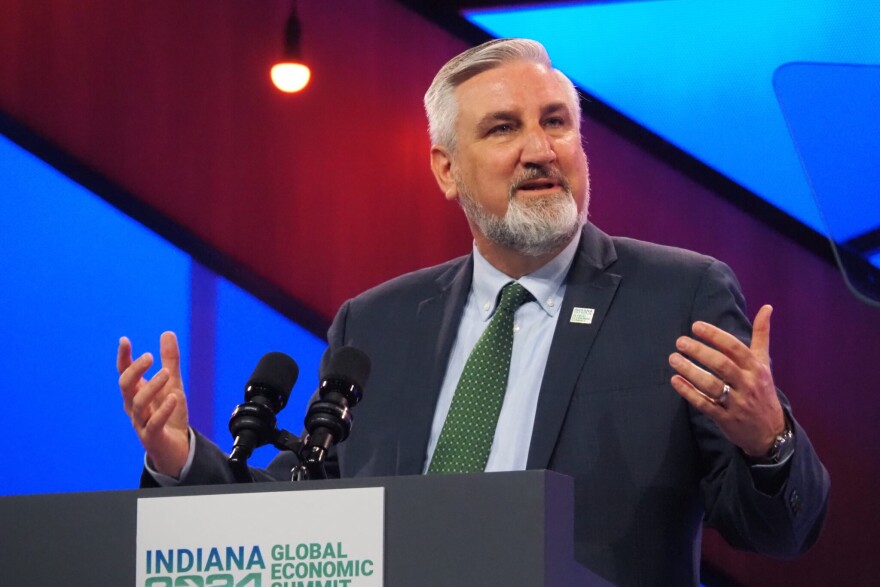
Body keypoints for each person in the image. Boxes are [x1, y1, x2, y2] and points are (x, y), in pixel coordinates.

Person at [118, 39, 829, 586]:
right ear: (446, 168)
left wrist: (770, 442)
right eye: (502, 129)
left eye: (556, 123)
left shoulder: (679, 295)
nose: (539, 149)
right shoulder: (377, 323)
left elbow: (776, 530)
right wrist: (182, 458)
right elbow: (309, 505)